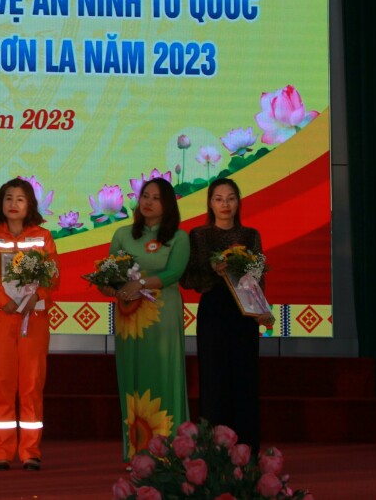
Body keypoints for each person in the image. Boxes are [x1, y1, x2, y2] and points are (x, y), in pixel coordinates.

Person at [98, 177, 191, 460]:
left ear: (168, 205)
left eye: (156, 198)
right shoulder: (123, 234)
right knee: (133, 377)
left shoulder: (179, 237)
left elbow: (174, 273)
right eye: (145, 196)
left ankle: (170, 451)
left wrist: (140, 284)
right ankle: (136, 453)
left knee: (163, 374)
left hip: (162, 315)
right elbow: (112, 273)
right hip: (130, 317)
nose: (148, 202)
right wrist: (107, 285)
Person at [0, 177, 58, 471]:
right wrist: (2, 299)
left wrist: (38, 295)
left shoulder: (43, 236)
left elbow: (53, 274)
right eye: (8, 198)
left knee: (32, 383)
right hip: (0, 317)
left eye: (20, 198)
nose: (14, 204)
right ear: (0, 203)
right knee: (2, 383)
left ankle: (30, 451)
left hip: (34, 318)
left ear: (30, 204)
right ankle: (2, 451)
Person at [181, 178, 272, 452]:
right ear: (210, 203)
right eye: (219, 199)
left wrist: (259, 309)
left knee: (245, 379)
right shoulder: (198, 235)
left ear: (238, 202)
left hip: (244, 313)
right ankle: (214, 452)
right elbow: (188, 279)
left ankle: (246, 451)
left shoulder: (250, 235)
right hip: (213, 311)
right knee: (213, 379)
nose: (225, 204)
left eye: (231, 198)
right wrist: (214, 270)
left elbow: (258, 277)